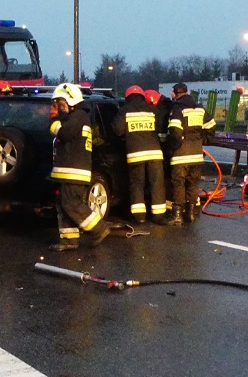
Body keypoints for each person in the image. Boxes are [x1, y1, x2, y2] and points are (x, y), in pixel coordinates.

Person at [48, 83, 110, 251]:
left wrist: (54, 119)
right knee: (64, 204)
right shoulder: (76, 117)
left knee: (71, 204)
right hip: (69, 171)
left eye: (61, 104)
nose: (59, 109)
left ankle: (99, 229)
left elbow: (64, 133)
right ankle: (69, 239)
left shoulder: (80, 116)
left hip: (74, 171)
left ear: (72, 101)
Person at [112, 86, 167, 224]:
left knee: (137, 184)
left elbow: (117, 130)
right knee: (157, 183)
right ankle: (158, 215)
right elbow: (161, 128)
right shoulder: (152, 110)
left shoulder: (124, 111)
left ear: (127, 97)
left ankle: (139, 216)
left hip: (135, 154)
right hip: (155, 154)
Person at [166, 83, 216, 225]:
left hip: (181, 155)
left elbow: (175, 131)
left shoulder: (177, 108)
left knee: (179, 184)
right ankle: (190, 214)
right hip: (196, 154)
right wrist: (202, 140)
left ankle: (177, 216)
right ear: (187, 92)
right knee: (193, 184)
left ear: (175, 94)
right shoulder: (200, 108)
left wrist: (173, 147)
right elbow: (211, 126)